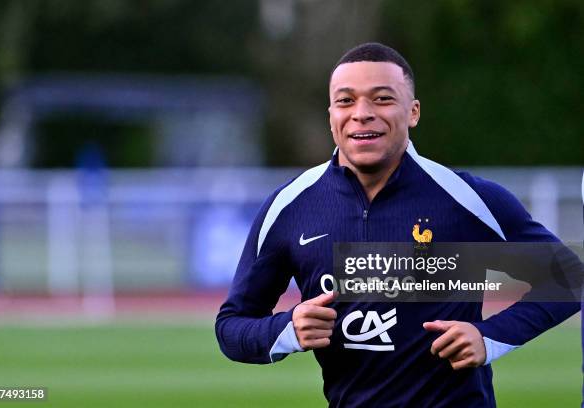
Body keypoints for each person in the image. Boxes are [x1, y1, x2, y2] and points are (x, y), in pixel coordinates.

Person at [215, 42, 580, 407]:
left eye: (382, 99)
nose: (362, 114)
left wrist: (490, 337)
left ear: (413, 112)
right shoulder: (290, 207)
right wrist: (287, 330)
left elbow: (568, 279)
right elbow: (232, 327)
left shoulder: (467, 200)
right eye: (345, 101)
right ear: (331, 116)